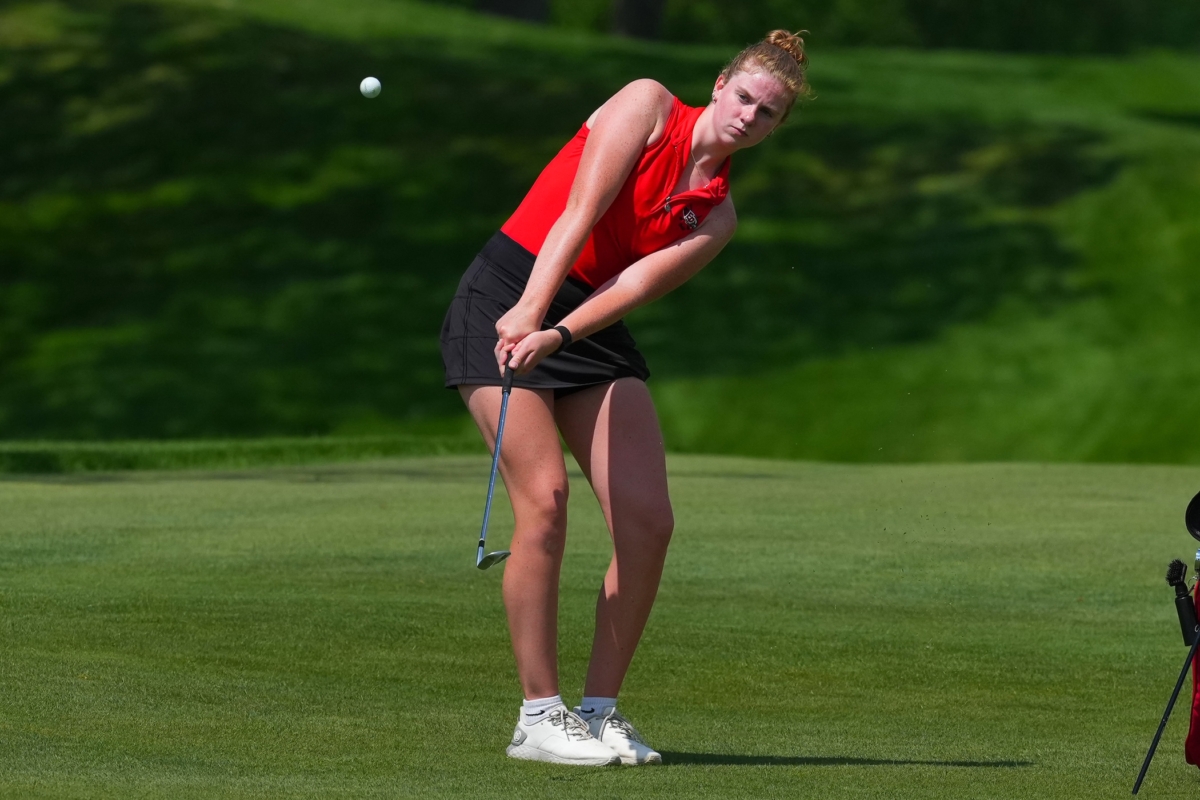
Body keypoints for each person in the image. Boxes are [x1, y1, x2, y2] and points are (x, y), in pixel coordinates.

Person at [440, 29, 811, 766]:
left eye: (766, 113)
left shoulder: (717, 216)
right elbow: (580, 210)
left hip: (585, 322)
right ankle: (538, 719)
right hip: (509, 292)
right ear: (719, 84)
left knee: (647, 521)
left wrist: (559, 332)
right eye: (743, 97)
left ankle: (598, 712)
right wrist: (529, 313)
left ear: (776, 127)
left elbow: (632, 284)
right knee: (545, 500)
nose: (748, 116)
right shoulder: (647, 104)